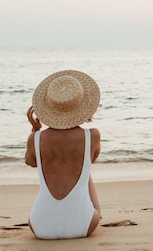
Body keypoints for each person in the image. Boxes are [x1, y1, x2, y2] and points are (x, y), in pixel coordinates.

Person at [24, 70, 102, 239]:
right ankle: (87, 212)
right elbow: (91, 160)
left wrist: (35, 132)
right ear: (82, 106)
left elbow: (31, 162)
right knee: (85, 171)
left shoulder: (35, 138)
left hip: (40, 227)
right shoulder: (93, 136)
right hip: (83, 224)